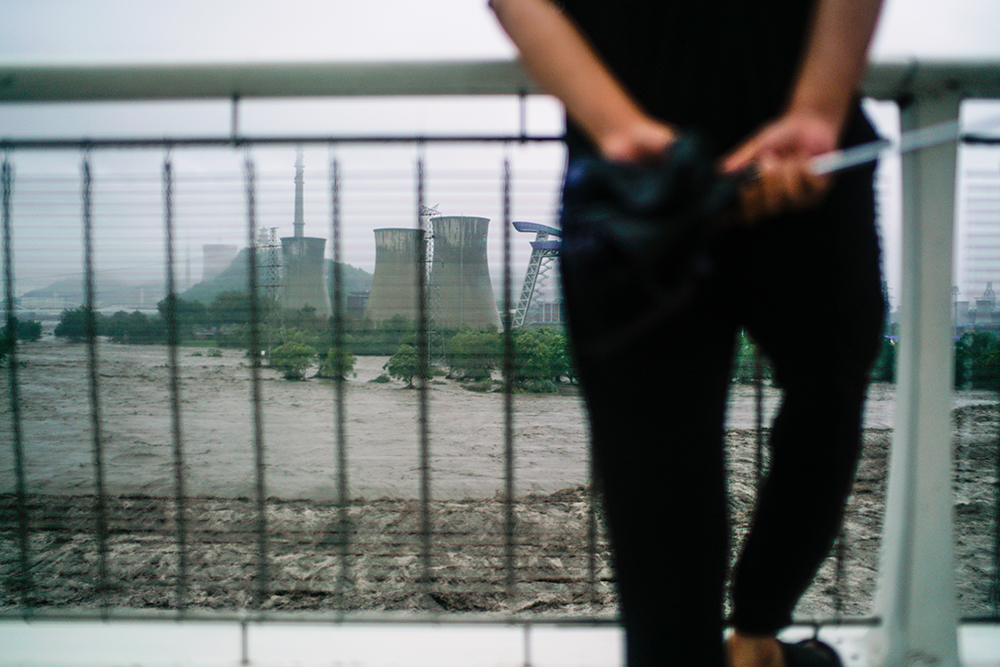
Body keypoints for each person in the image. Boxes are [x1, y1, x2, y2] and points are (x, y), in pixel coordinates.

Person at [489, 2, 886, 667]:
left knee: (827, 399)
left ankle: (755, 631)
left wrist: (816, 110)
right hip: (635, 194)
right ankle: (709, 648)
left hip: (798, 167)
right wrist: (621, 131)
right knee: (654, 464)